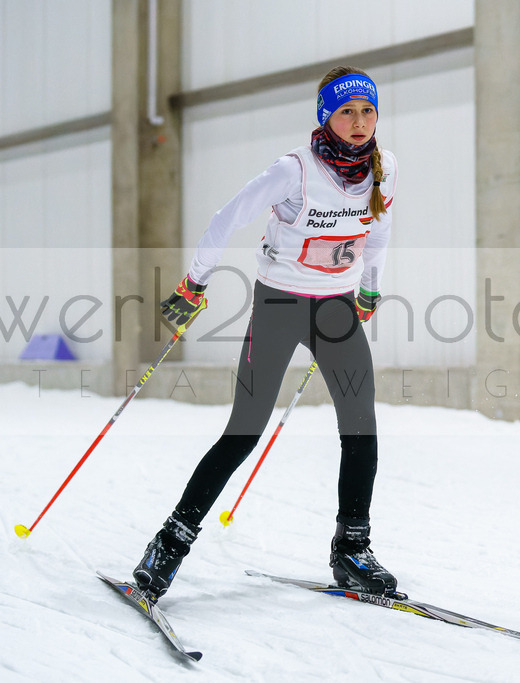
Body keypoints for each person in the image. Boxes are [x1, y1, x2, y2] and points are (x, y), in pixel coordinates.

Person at [132, 66, 398, 601]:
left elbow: (379, 233)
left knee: (361, 426)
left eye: (367, 110)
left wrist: (369, 288)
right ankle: (168, 545)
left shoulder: (384, 168)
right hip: (279, 305)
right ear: (326, 115)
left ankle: (352, 549)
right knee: (244, 430)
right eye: (347, 111)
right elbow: (224, 219)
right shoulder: (293, 171)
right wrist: (194, 283)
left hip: (336, 311)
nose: (359, 121)